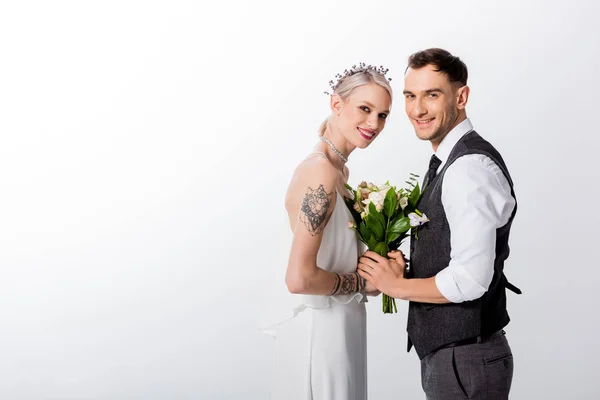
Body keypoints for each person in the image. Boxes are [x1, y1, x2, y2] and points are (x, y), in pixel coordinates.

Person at [358, 48, 521, 399]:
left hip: (465, 359)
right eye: (410, 96)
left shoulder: (466, 169)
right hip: (457, 358)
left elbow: (471, 279)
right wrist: (406, 270)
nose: (417, 109)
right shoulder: (448, 162)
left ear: (461, 97)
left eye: (432, 95)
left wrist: (395, 287)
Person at [259, 63, 392, 399]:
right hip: (319, 332)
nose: (373, 123)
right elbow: (299, 279)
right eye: (365, 109)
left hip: (341, 327)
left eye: (383, 115)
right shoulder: (320, 171)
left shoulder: (338, 173)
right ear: (336, 104)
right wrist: (363, 282)